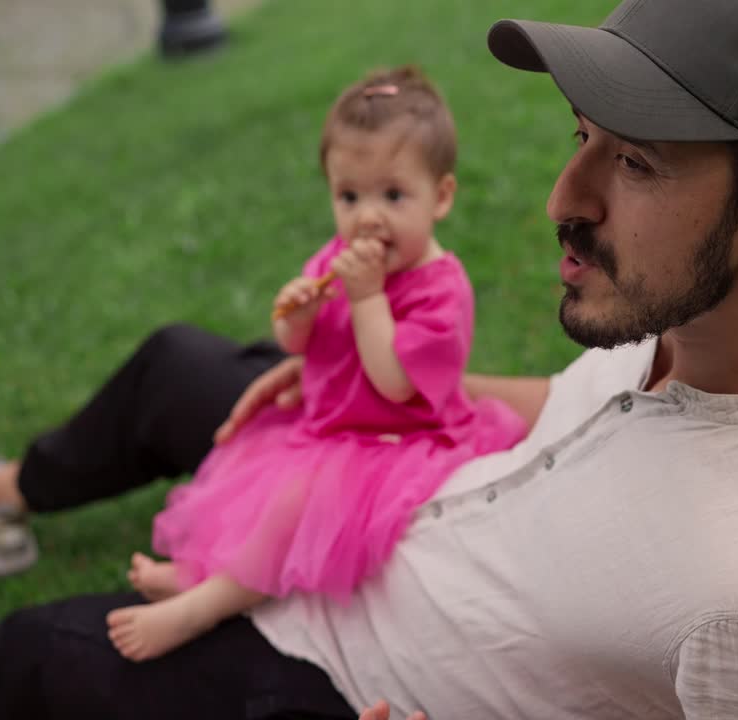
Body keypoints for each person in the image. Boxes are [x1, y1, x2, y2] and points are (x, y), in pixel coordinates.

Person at [0, 0, 738, 717]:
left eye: (633, 164)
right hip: (421, 469)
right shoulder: (688, 332)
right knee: (182, 368)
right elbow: (556, 399)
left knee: (44, 655)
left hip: (342, 674)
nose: (562, 201)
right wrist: (328, 377)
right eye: (576, 139)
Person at [105, 65, 527, 662]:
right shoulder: (341, 258)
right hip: (327, 424)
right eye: (348, 196)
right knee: (251, 465)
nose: (366, 217)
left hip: (394, 444)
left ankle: (203, 608)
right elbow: (296, 343)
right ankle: (203, 572)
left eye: (393, 195)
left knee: (294, 504)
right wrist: (296, 313)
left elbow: (395, 382)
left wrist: (367, 298)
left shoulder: (441, 292)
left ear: (442, 197)